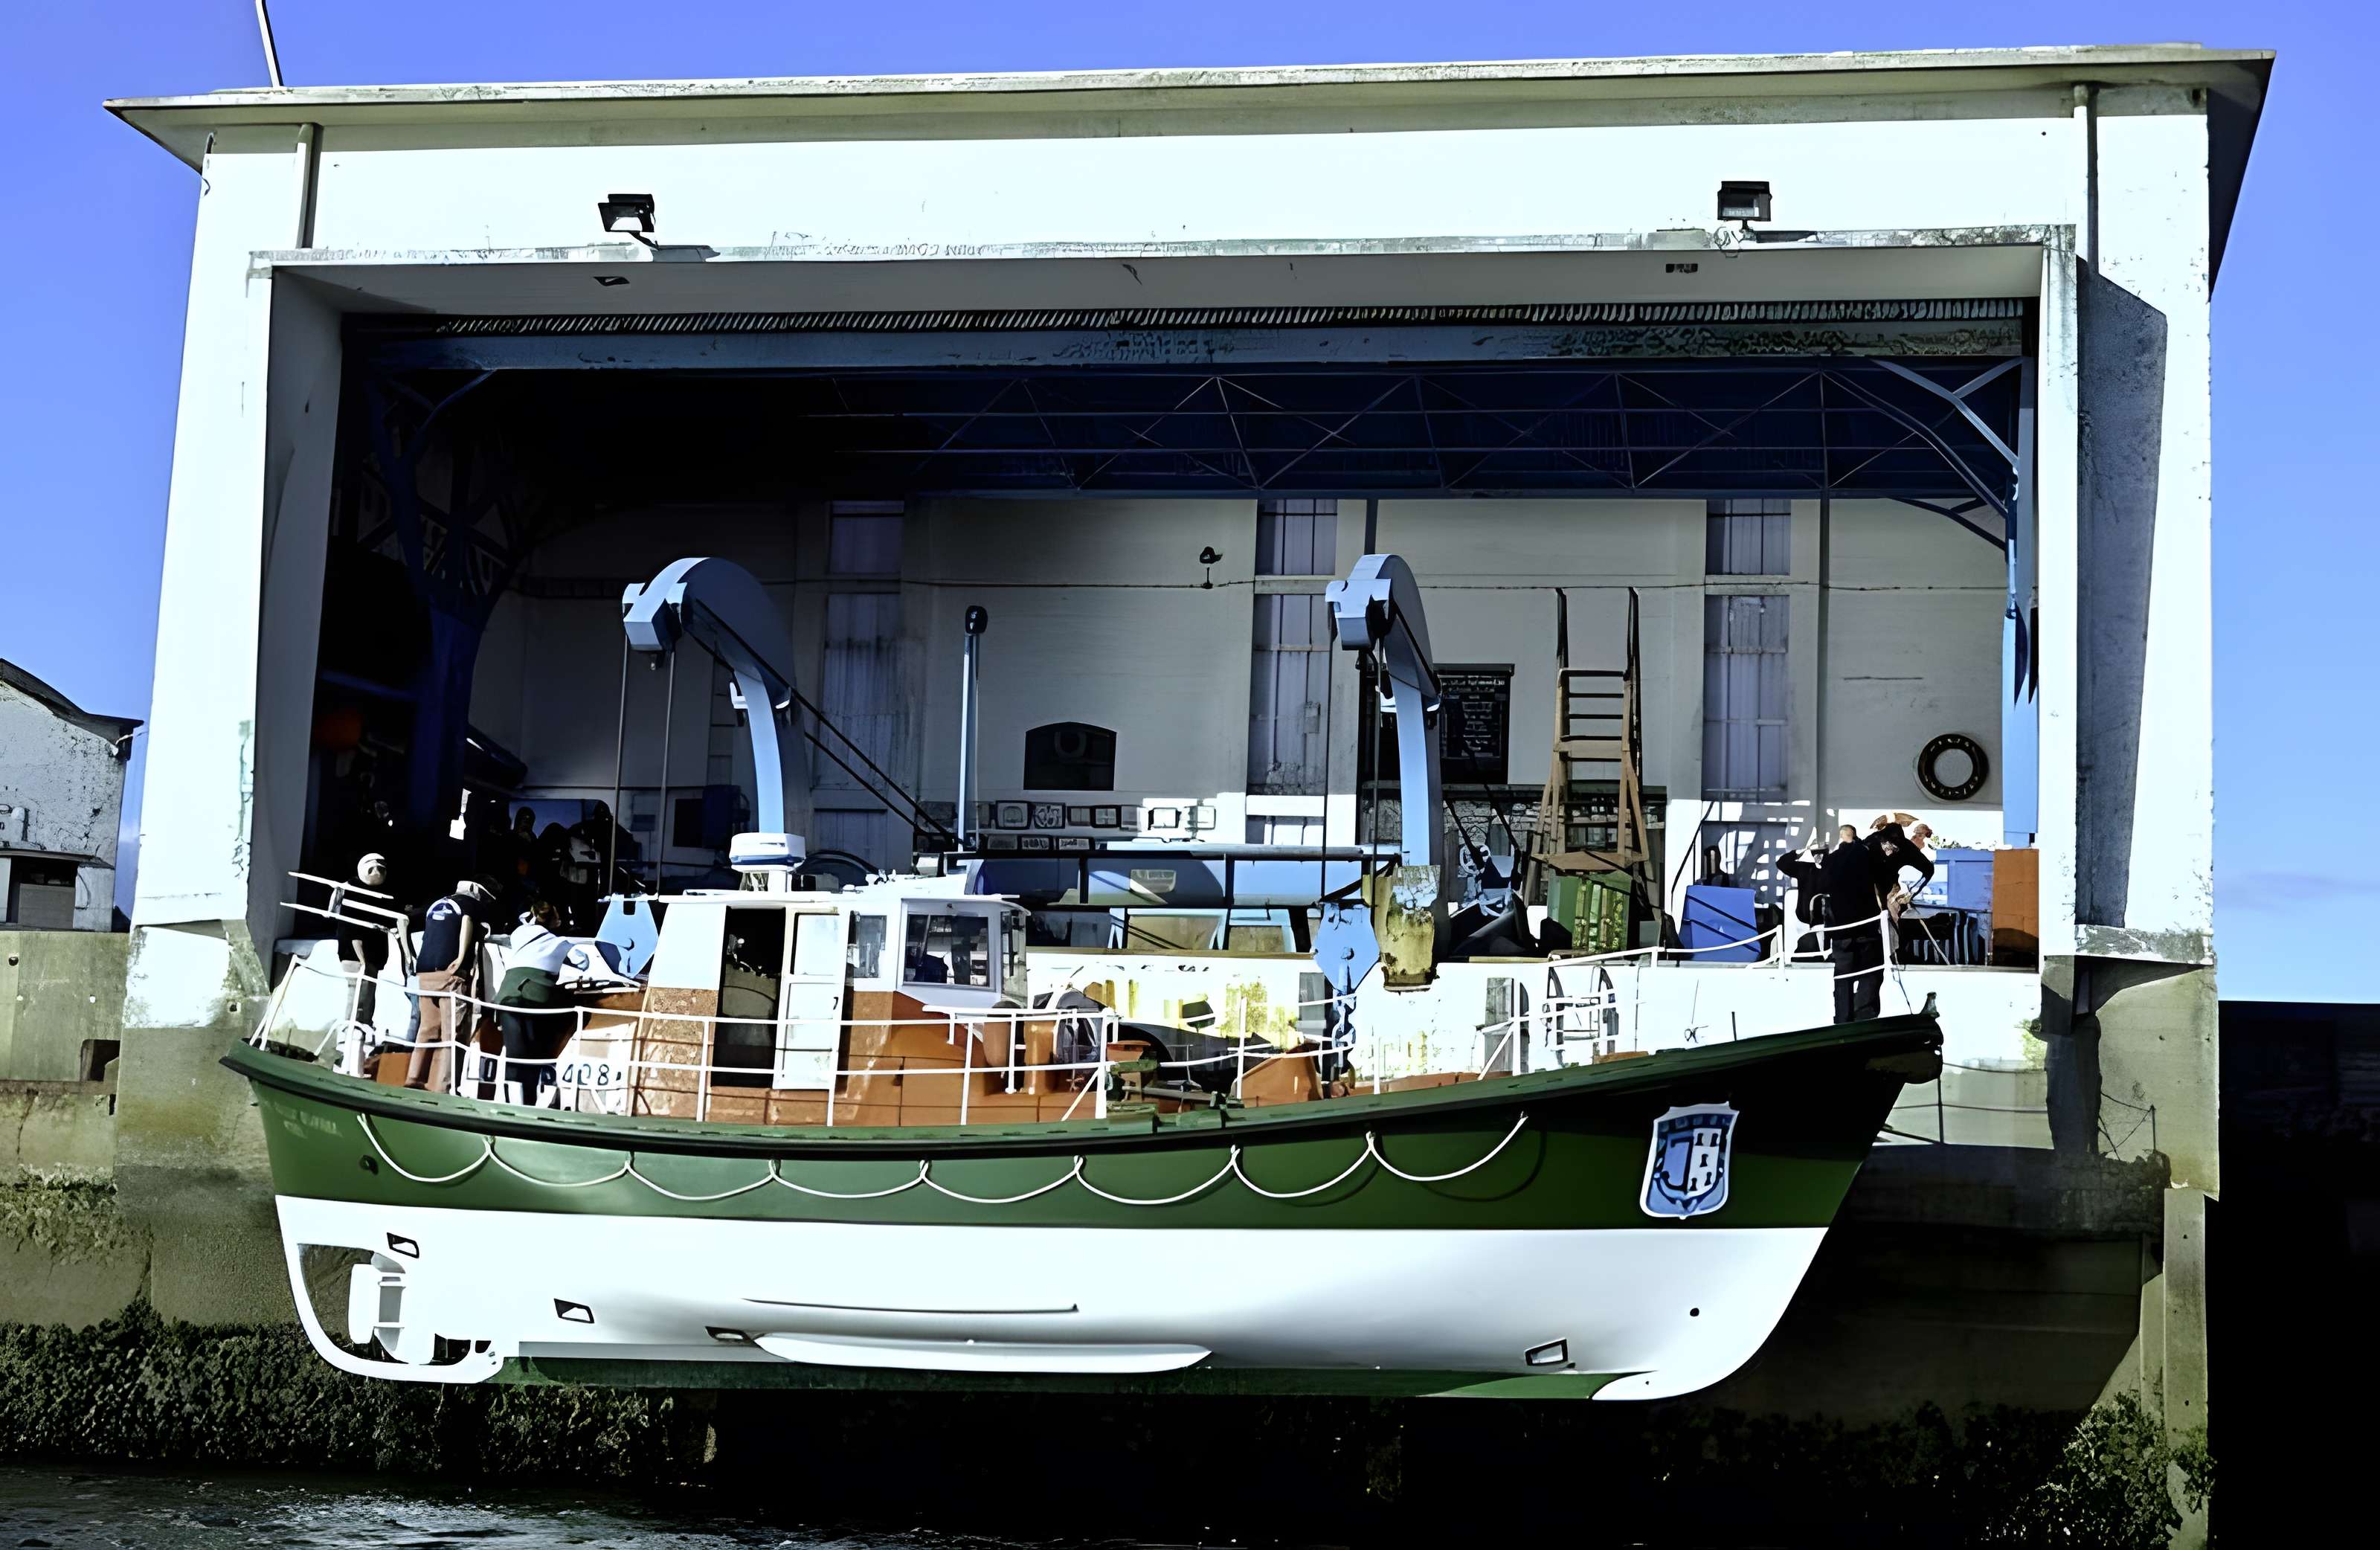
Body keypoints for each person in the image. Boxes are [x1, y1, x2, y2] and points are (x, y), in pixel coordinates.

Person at [1778, 826, 1894, 1024]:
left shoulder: (1832, 864)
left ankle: (1844, 1018)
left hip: (1839, 929)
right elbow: (1885, 879)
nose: (1819, 856)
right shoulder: (1864, 858)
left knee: (1844, 977)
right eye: (1816, 853)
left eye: (1821, 852)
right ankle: (1863, 1015)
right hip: (1855, 927)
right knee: (1870, 971)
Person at [405, 879, 497, 1090]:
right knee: (452, 1032)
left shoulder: (437, 904)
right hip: (450, 972)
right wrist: (461, 955)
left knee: (427, 1028)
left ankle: (414, 1079)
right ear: (475, 890)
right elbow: (467, 922)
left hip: (425, 971)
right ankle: (444, 1086)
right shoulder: (470, 904)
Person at [492, 910, 576, 1106]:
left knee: (514, 1054)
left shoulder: (521, 933)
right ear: (553, 921)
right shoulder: (561, 943)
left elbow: (520, 926)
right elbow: (583, 960)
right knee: (532, 1054)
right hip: (535, 1001)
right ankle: (528, 1102)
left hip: (507, 997)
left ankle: (513, 1103)